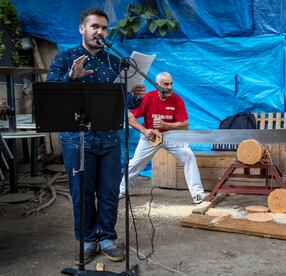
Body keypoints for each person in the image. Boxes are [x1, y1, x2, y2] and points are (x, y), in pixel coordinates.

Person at [46, 8, 146, 265]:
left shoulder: (116, 62)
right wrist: (71, 78)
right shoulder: (66, 58)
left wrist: (136, 95)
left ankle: (107, 239)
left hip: (110, 138)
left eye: (103, 28)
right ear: (82, 29)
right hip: (77, 139)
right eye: (94, 27)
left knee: (110, 191)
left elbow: (127, 104)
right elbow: (49, 92)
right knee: (82, 192)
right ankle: (88, 239)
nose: (99, 32)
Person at [119, 71, 208, 204]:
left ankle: (197, 194)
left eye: (171, 84)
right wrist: (144, 131)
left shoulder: (176, 99)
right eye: (166, 84)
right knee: (135, 163)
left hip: (171, 136)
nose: (170, 87)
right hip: (151, 136)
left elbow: (185, 125)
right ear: (157, 85)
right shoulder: (148, 97)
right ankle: (122, 189)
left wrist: (166, 124)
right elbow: (130, 117)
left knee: (188, 156)